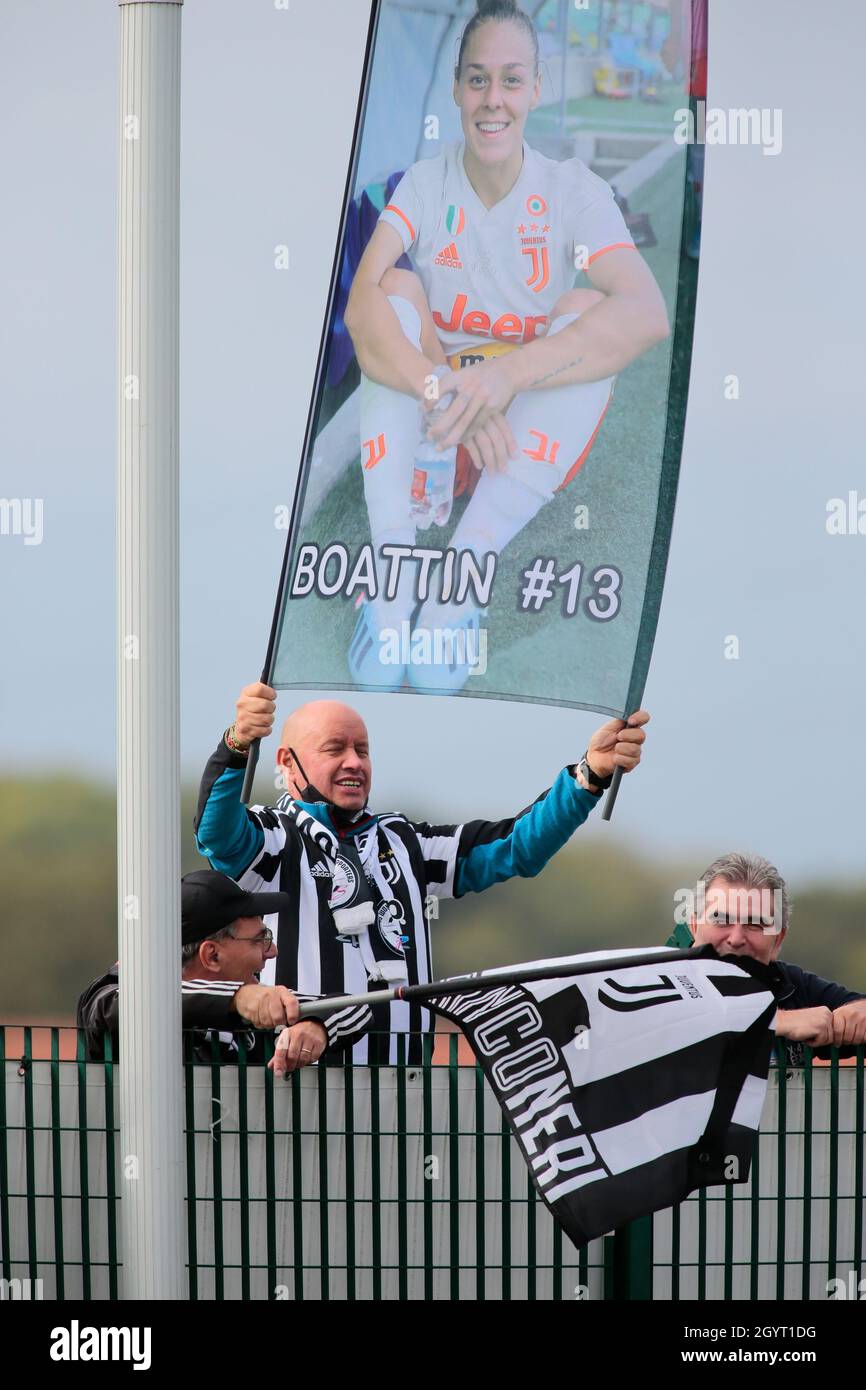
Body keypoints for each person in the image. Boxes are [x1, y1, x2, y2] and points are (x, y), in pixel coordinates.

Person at [343, 0, 669, 690]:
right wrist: (445, 387)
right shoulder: (427, 183)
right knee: (393, 291)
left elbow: (645, 313)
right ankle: (393, 581)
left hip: (518, 434)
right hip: (428, 425)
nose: (494, 100)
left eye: (512, 80)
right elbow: (361, 300)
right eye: (479, 79)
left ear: (536, 89)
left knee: (588, 308)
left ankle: (459, 586)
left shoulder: (570, 189)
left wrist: (505, 380)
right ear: (459, 88)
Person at [194, 683, 650, 1063]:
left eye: (363, 750)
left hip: (407, 1092)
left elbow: (516, 847)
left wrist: (589, 777)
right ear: (286, 763)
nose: (354, 762)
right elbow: (215, 833)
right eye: (335, 749)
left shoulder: (405, 840)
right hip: (297, 1083)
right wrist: (235, 744)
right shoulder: (273, 836)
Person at [77, 870, 371, 1075]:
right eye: (260, 939)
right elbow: (138, 1001)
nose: (272, 951)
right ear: (211, 955)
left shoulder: (253, 1004)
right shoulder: (108, 998)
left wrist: (315, 1026)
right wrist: (239, 998)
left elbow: (356, 1007)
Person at [670, 852, 866, 1062]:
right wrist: (779, 1022)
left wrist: (856, 1015)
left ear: (778, 940)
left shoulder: (789, 986)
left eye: (755, 924)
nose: (736, 938)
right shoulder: (658, 976)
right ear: (694, 925)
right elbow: (665, 1021)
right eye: (721, 920)